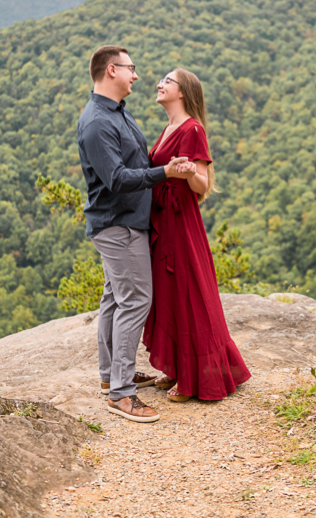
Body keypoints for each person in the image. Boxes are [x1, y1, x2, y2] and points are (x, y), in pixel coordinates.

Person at [76, 46, 196, 423]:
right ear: (112, 70)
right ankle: (122, 393)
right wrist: (166, 174)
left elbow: (135, 163)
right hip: (119, 224)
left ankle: (110, 377)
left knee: (115, 298)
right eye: (131, 69)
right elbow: (116, 180)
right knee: (135, 301)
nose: (137, 76)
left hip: (125, 222)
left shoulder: (116, 113)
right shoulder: (97, 122)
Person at [142, 68, 251, 402]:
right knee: (169, 291)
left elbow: (202, 185)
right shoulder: (169, 128)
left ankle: (195, 378)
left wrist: (189, 172)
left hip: (180, 221)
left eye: (167, 82)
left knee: (189, 291)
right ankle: (176, 366)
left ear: (183, 93)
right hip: (162, 219)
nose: (160, 85)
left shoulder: (193, 129)